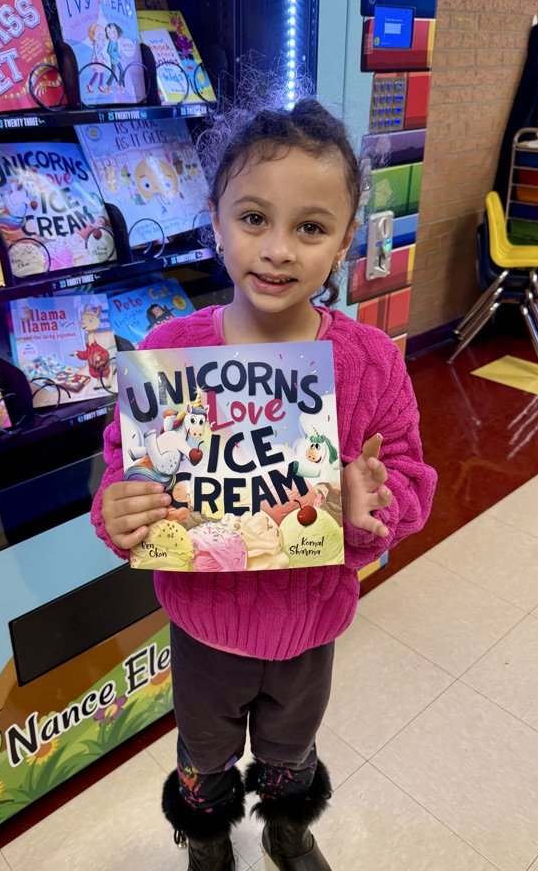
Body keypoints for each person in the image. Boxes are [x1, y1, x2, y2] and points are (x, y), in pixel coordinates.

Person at [91, 98, 437, 871]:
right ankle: (206, 842)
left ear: (346, 241)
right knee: (204, 753)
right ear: (214, 219)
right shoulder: (170, 349)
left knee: (290, 745)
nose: (278, 250)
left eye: (310, 228)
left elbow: (411, 477)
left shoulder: (369, 360)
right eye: (253, 218)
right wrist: (117, 512)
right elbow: (123, 469)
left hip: (310, 622)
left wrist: (369, 505)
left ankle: (289, 826)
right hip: (204, 625)